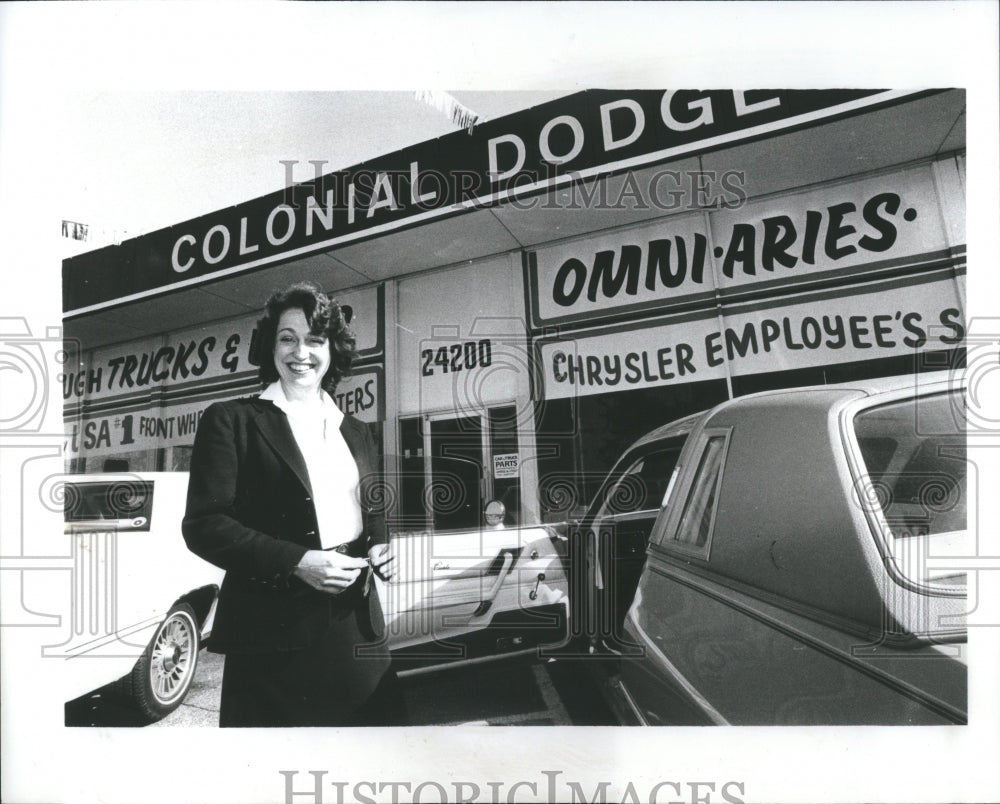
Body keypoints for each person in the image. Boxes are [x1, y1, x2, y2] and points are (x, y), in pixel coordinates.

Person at [182, 281, 403, 727]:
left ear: (332, 349)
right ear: (270, 346)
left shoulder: (357, 430)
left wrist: (381, 543)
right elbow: (204, 524)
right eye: (288, 338)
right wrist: (297, 561)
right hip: (272, 635)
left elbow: (372, 506)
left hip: (355, 625)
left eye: (315, 340)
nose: (301, 352)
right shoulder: (232, 420)